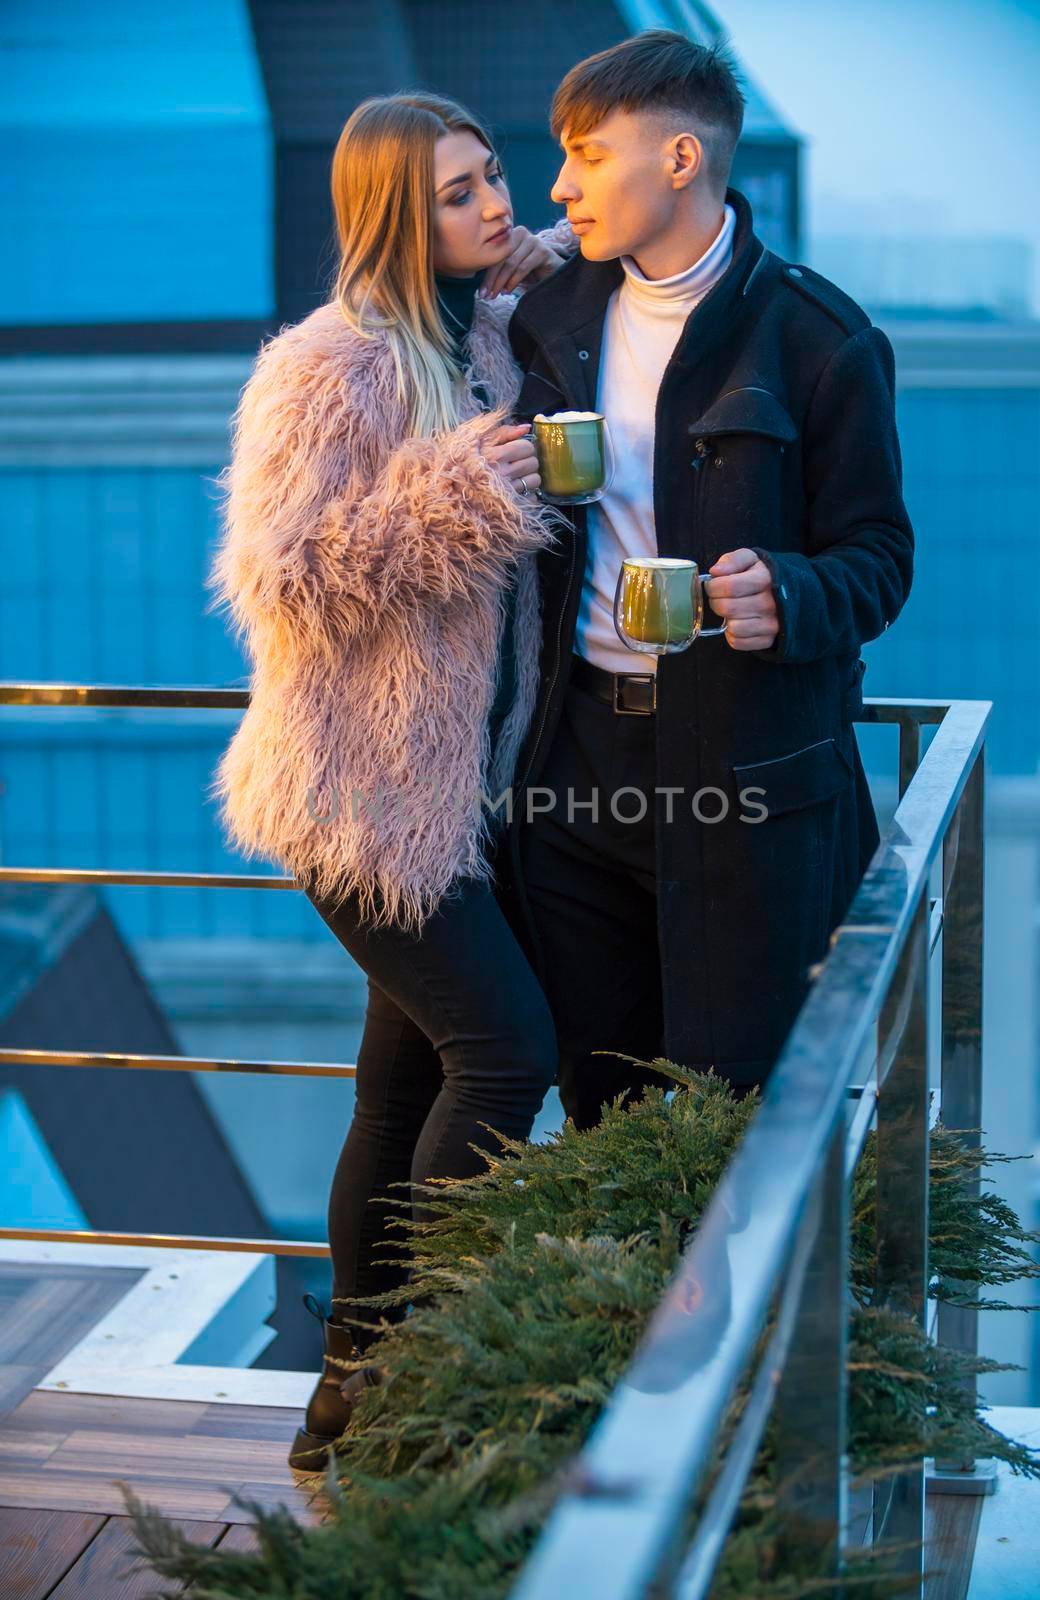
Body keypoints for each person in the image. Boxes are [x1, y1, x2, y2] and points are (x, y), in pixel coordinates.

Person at [206, 91, 574, 1471]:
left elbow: (537, 257)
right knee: (505, 1050)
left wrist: (550, 248)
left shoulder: (467, 330)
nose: (495, 206)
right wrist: (458, 494)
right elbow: (279, 582)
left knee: (396, 1088)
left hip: (451, 796)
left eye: (495, 182)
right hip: (357, 796)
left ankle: (341, 1406)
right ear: (388, 213)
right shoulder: (329, 367)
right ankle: (416, 1377)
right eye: (461, 193)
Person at [497, 30, 915, 1130]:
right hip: (572, 769)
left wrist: (786, 592)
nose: (559, 185)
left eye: (586, 155)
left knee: (735, 1111)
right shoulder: (552, 317)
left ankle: (735, 1308)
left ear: (678, 161)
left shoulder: (818, 339)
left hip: (747, 780)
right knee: (600, 1103)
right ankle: (617, 1308)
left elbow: (878, 558)